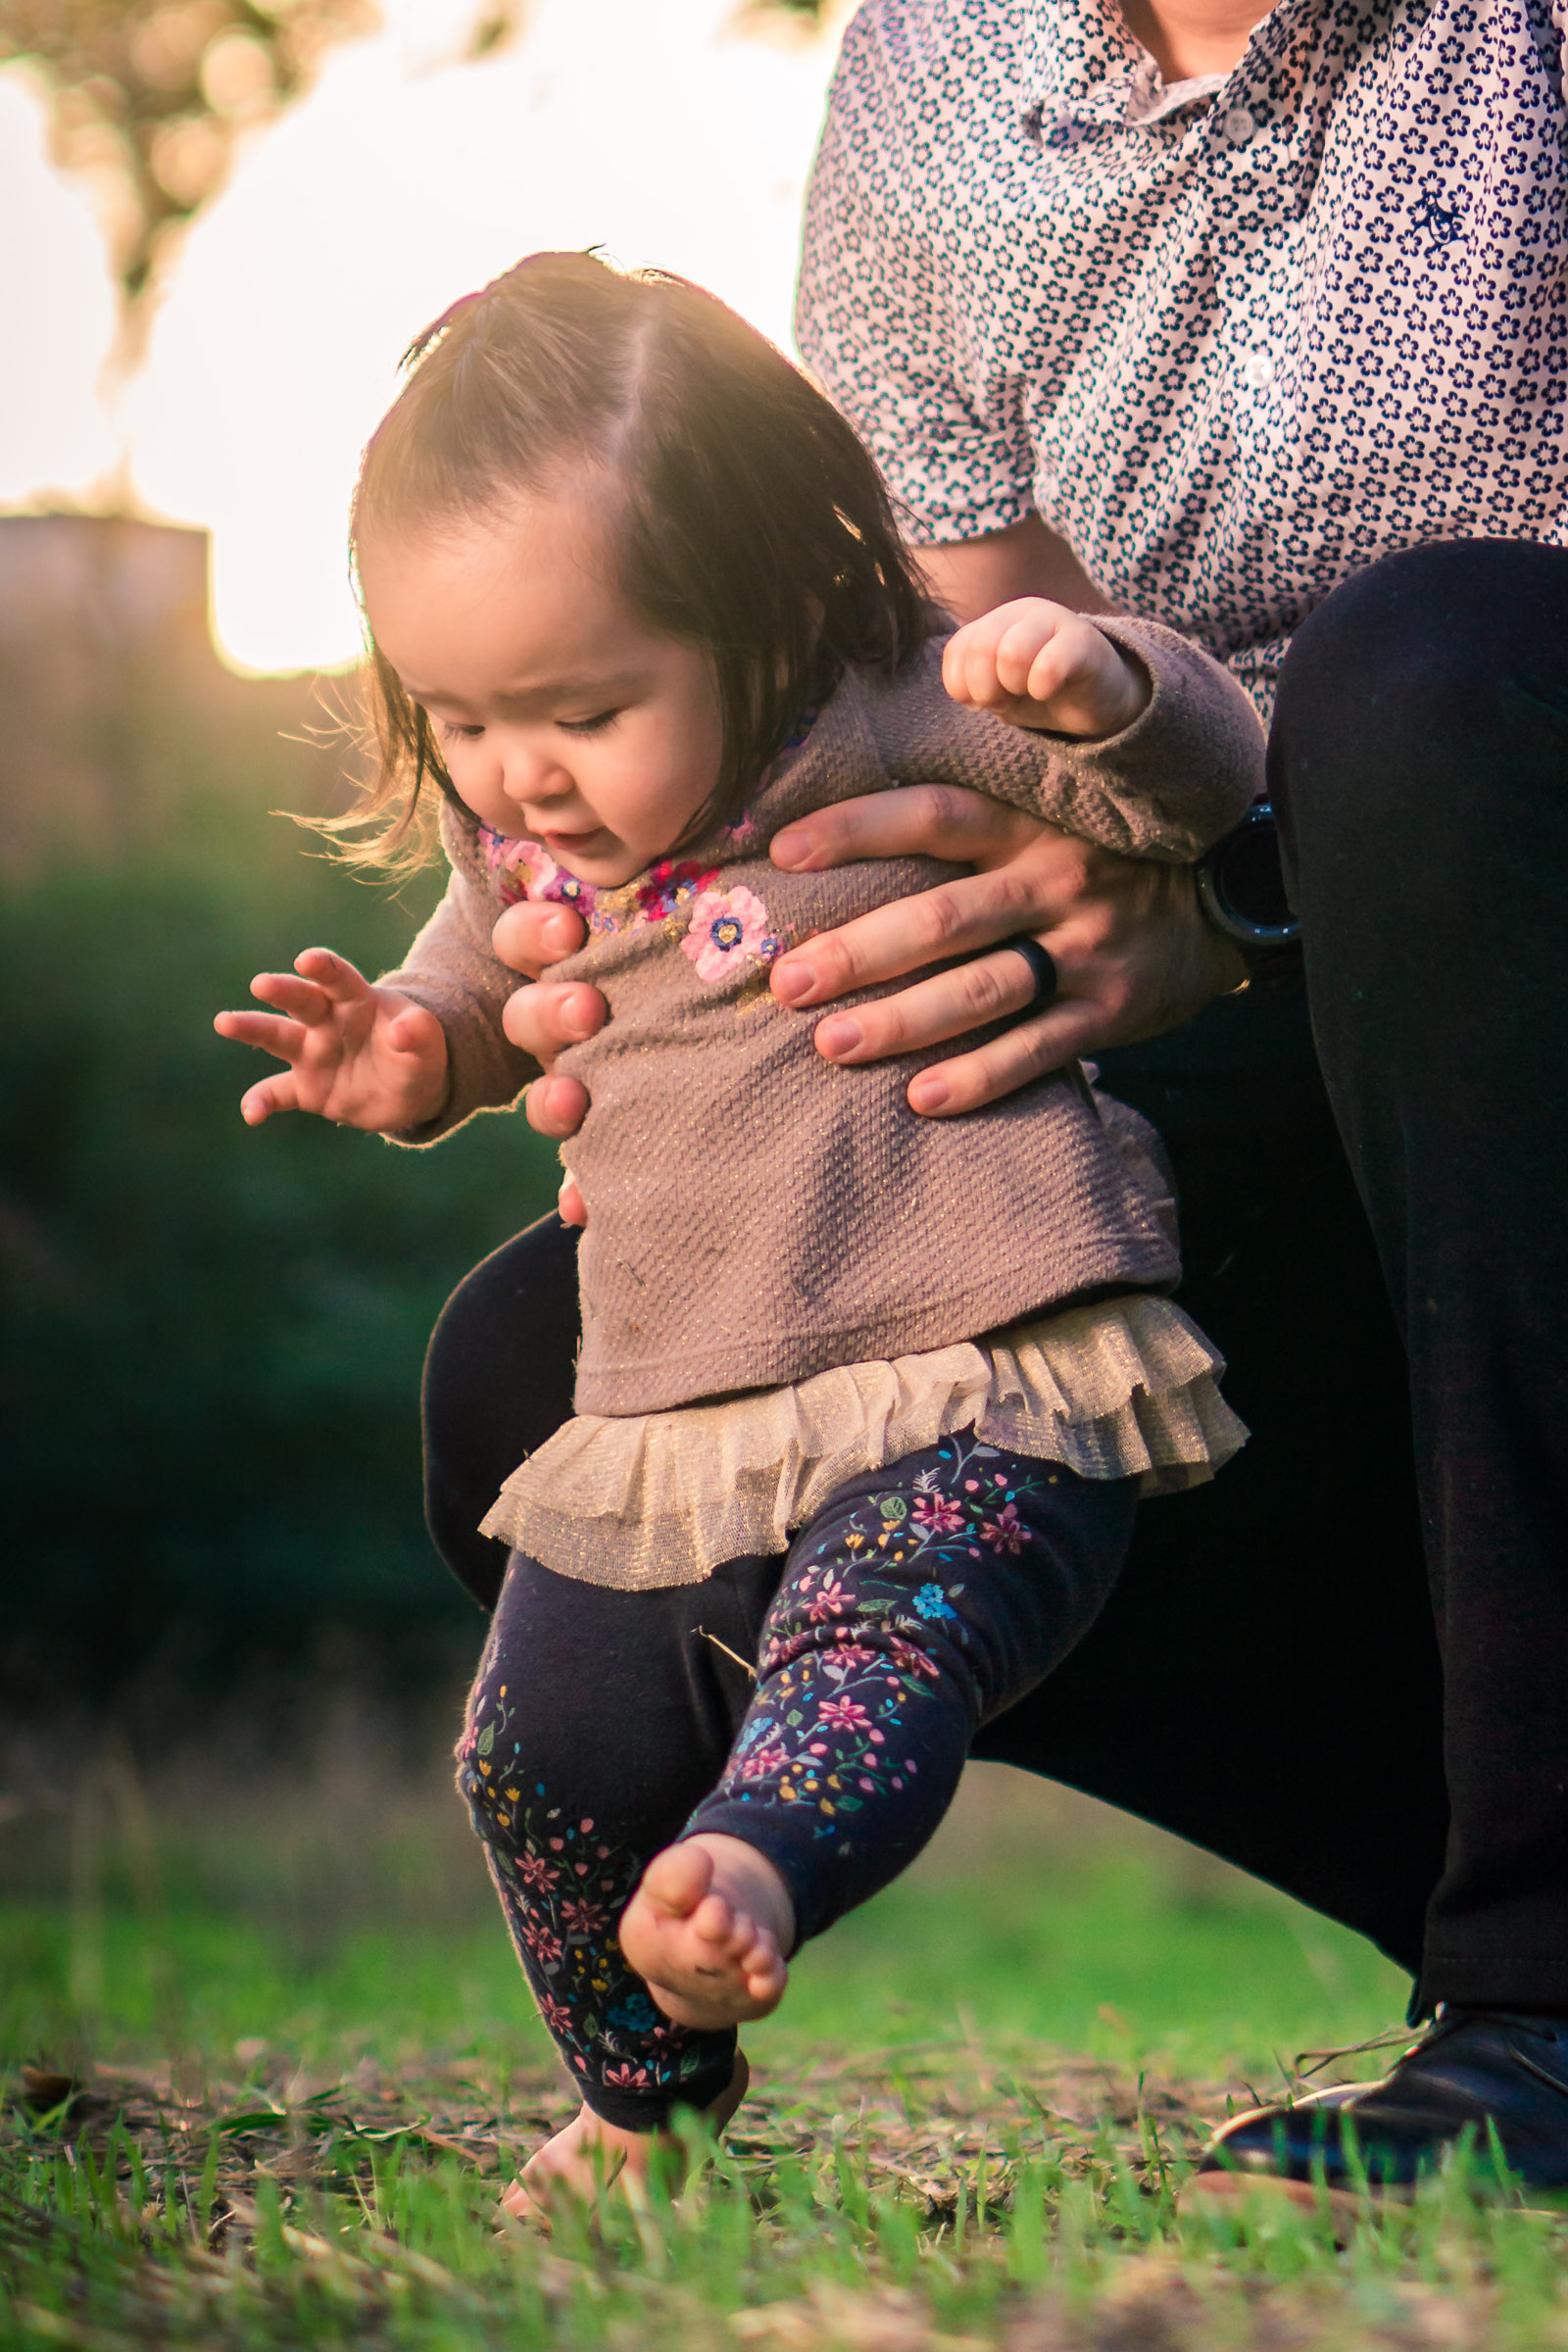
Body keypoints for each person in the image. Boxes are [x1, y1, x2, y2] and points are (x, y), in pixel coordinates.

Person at [479, 0, 1568, 2194]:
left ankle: (1554, 1988)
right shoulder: (932, 70)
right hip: (1251, 991)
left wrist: (1264, 874)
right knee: (546, 1385)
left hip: (1502, 910)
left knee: (1432, 677)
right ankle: (1476, 1892)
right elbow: (931, 703)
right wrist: (729, 1049)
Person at [215, 251, 1265, 2209]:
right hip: (671, 1418)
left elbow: (1205, 796)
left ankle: (754, 1864)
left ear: (765, 607)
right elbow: (472, 986)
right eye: (459, 716)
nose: (519, 773)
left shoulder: (893, 723)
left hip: (978, 1369)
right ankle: (643, 2105)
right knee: (533, 1751)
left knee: (872, 1651)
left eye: (586, 705)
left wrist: (1113, 687)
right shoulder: (528, 832)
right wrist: (409, 1051)